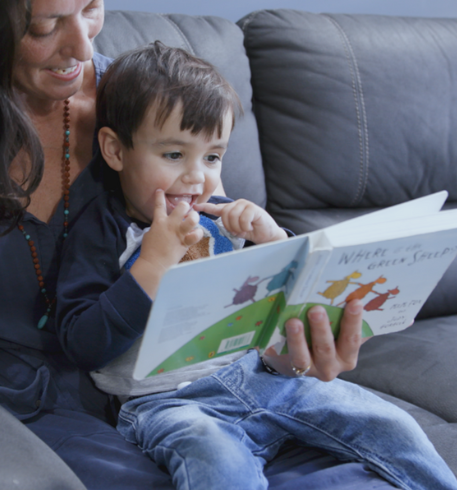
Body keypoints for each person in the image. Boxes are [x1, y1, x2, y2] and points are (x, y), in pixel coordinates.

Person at [0, 1, 404, 489]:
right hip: (23, 400)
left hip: (171, 383)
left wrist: (286, 341)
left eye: (90, 8)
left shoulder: (143, 105)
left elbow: (215, 260)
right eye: (42, 25)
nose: (82, 47)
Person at [55, 42, 457, 490]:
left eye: (212, 156)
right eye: (174, 155)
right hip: (168, 403)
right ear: (115, 150)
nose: (196, 176)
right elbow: (82, 342)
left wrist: (274, 240)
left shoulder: (221, 213)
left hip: (264, 378)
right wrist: (150, 265)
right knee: (215, 460)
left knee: (390, 424)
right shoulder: (100, 230)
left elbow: (278, 303)